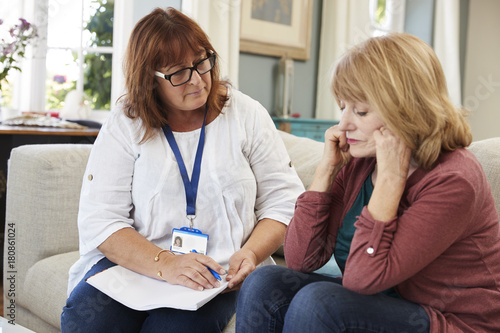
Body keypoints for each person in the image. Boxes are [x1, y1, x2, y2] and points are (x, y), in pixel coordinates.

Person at [60, 7, 304, 333]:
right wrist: (168, 264)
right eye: (178, 72)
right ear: (149, 79)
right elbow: (101, 219)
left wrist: (250, 252)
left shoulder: (246, 115)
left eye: (202, 62)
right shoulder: (126, 122)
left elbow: (285, 201)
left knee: (174, 328)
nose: (198, 80)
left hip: (218, 269)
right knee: (88, 319)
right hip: (139, 263)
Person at [236, 33, 500, 332]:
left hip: (451, 321)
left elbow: (362, 280)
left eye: (360, 111)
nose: (344, 125)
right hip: (384, 302)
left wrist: (390, 178)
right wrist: (326, 170)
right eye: (342, 108)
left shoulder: (454, 179)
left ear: (406, 109)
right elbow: (301, 259)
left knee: (319, 302)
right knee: (264, 281)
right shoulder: (360, 161)